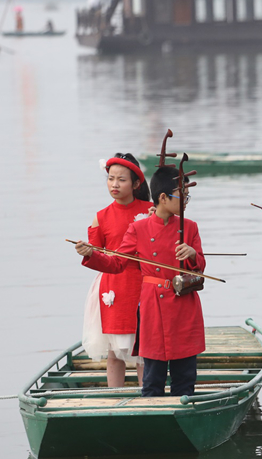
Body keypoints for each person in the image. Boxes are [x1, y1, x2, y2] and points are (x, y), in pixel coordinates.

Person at [76, 166, 207, 397]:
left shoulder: (191, 227)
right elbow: (116, 264)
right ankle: (152, 413)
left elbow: (201, 268)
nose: (186, 200)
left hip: (184, 305)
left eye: (188, 195)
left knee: (185, 375)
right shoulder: (138, 228)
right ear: (163, 198)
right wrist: (90, 254)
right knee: (153, 375)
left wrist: (193, 255)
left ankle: (183, 412)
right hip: (153, 306)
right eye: (182, 194)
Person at [80, 154, 152, 387]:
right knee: (114, 349)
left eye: (121, 180)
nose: (114, 184)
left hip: (144, 283)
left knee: (145, 348)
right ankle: (113, 397)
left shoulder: (151, 211)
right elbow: (98, 254)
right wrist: (88, 252)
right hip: (113, 285)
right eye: (111, 179)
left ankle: (148, 396)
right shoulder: (100, 217)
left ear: (136, 184)